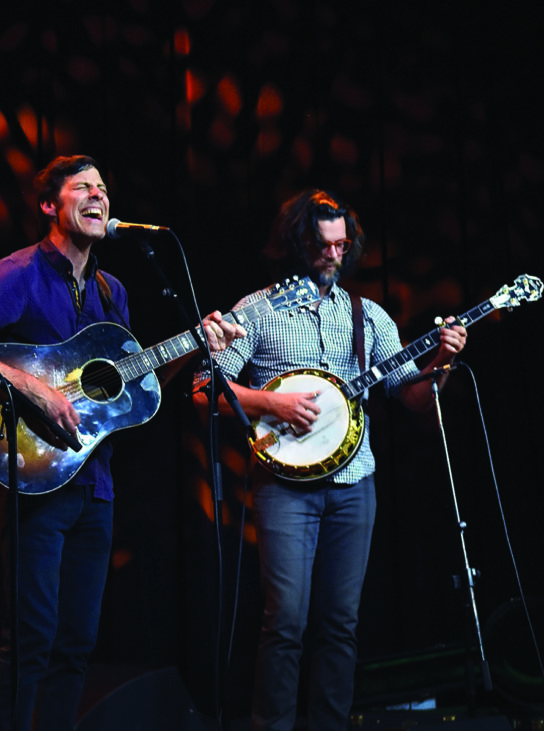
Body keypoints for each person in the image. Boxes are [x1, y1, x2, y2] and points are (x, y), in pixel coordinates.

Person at [0, 154, 244, 731]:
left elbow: (131, 392)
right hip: (34, 475)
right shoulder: (17, 273)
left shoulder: (111, 290)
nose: (99, 195)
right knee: (30, 638)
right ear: (51, 204)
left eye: (104, 187)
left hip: (94, 483)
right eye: (83, 187)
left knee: (76, 642)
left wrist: (196, 345)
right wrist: (31, 391)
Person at [193, 189, 468, 731]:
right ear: (298, 244)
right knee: (286, 621)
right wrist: (270, 402)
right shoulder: (258, 309)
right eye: (323, 246)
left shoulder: (369, 317)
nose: (334, 256)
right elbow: (205, 388)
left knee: (340, 624)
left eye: (342, 246)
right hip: (282, 487)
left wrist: (442, 361)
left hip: (354, 484)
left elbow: (412, 399)